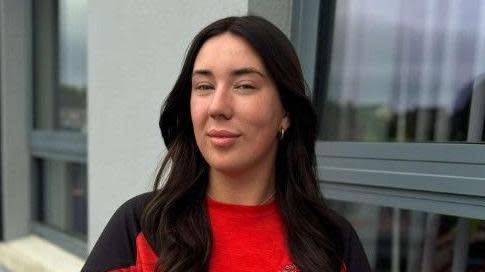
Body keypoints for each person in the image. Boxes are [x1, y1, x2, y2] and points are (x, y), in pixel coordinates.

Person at [82, 15, 371, 272]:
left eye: (244, 85)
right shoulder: (141, 229)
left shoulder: (332, 243)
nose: (217, 107)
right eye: (204, 87)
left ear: (286, 112)